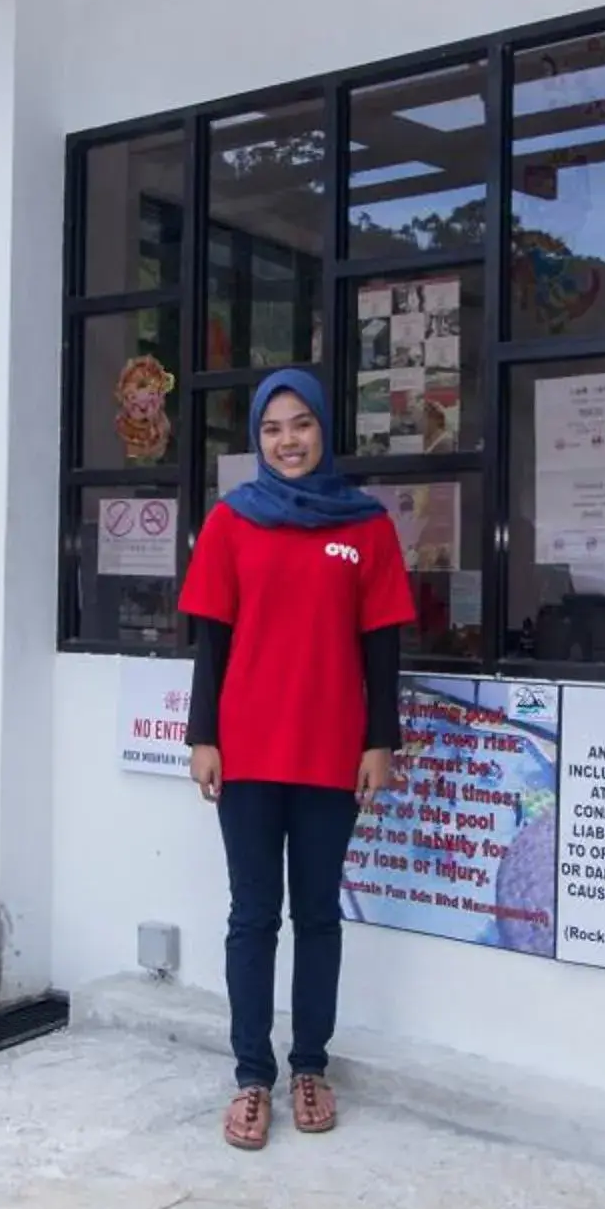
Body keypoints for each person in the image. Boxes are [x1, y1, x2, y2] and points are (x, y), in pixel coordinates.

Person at [180, 369, 414, 1151]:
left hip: (332, 753)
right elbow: (210, 641)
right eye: (274, 427)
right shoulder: (230, 522)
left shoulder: (368, 527)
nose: (288, 440)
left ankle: (309, 1064)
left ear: (325, 431)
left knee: (318, 916)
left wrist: (382, 741)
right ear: (257, 437)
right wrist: (201, 736)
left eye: (302, 424)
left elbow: (383, 647)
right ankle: (252, 1077)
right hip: (246, 753)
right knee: (253, 918)